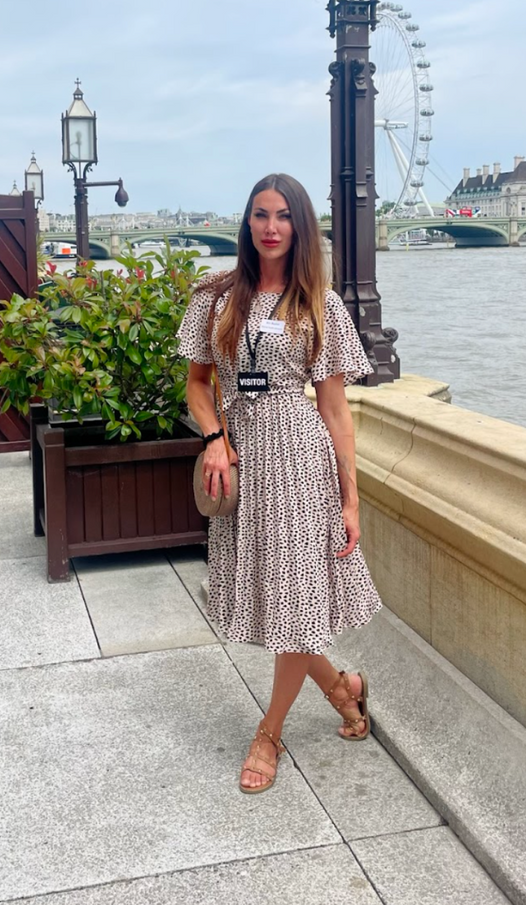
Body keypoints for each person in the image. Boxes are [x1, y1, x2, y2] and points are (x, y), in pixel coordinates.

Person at [177, 173, 382, 795]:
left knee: (293, 605)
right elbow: (196, 383)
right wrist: (215, 437)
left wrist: (350, 497)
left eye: (283, 216)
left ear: (300, 226)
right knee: (278, 603)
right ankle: (344, 690)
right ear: (247, 223)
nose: (271, 226)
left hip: (299, 460)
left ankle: (269, 731)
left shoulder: (319, 303)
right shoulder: (216, 296)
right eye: (260, 215)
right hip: (243, 456)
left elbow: (336, 408)